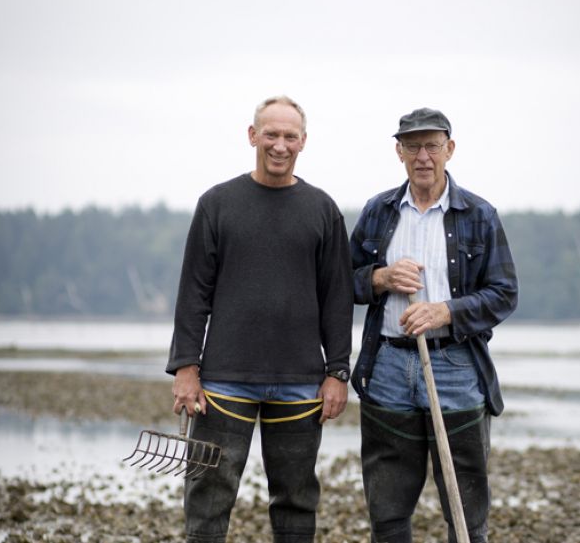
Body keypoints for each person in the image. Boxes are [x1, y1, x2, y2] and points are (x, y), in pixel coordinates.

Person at [167, 95, 354, 543]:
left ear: (303, 142)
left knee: (296, 501)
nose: (280, 145)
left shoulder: (323, 210)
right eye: (271, 134)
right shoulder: (217, 204)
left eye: (290, 136)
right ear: (253, 136)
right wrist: (186, 368)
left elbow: (338, 298)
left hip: (300, 384)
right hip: (223, 382)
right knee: (208, 497)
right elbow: (194, 291)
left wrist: (338, 372)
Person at [349, 107, 518, 543]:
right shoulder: (378, 212)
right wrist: (380, 278)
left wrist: (446, 311)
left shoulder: (479, 214)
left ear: (450, 150)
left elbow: (504, 293)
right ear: (399, 153)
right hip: (386, 366)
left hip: (456, 366)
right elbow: (342, 282)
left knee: (466, 511)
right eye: (412, 146)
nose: (422, 155)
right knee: (387, 511)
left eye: (431, 145)